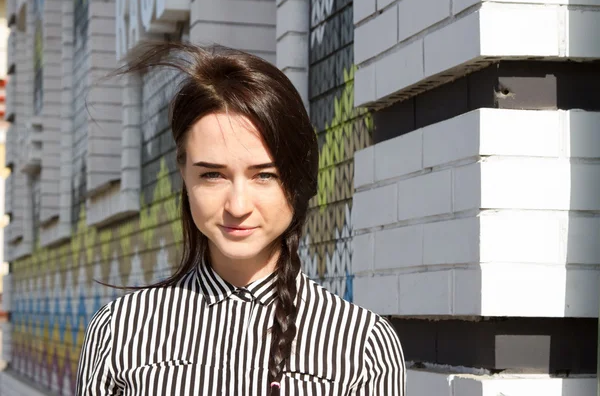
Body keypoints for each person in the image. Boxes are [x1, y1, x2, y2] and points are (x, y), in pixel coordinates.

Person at [75, 42, 405, 396]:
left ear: (297, 178)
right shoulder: (120, 330)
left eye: (264, 175)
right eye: (212, 175)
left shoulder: (362, 344)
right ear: (183, 173)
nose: (238, 205)